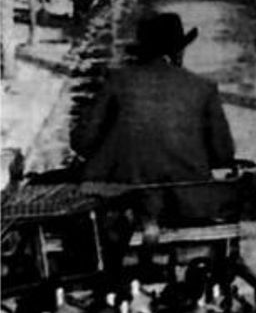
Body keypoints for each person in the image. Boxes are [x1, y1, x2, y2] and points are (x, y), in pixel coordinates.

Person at [71, 13, 237, 225]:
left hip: (118, 202)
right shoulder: (203, 88)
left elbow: (82, 141)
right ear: (178, 51)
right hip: (187, 205)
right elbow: (223, 154)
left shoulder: (117, 81)